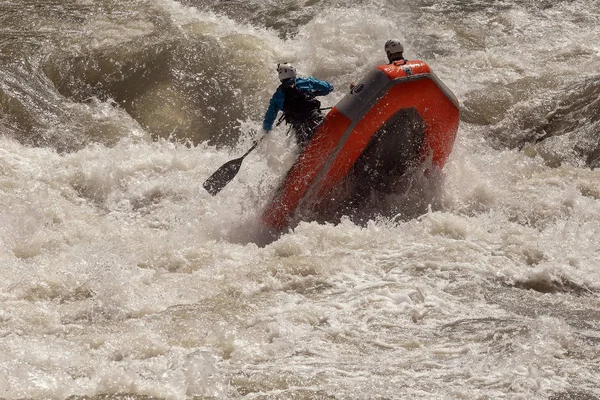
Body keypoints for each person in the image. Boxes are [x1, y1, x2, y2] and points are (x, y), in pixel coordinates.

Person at [262, 63, 334, 148]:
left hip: (300, 128)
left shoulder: (277, 96)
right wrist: (316, 93)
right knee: (323, 131)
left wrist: (266, 131)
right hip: (315, 118)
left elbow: (269, 118)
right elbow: (328, 87)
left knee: (304, 146)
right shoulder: (305, 82)